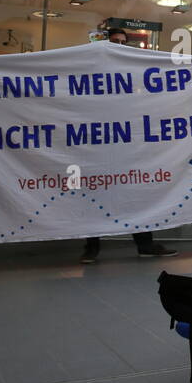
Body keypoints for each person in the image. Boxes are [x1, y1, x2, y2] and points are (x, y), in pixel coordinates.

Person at [81, 27, 177, 263]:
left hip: (126, 143)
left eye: (124, 43)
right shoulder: (90, 70)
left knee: (134, 192)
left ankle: (145, 244)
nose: (120, 46)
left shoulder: (134, 70)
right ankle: (91, 247)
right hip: (98, 144)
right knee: (97, 194)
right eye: (115, 42)